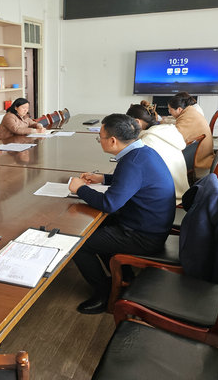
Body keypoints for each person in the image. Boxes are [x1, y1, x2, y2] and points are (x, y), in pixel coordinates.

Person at [68, 114, 175, 315]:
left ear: (113, 141)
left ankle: (103, 294)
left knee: (78, 245)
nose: (99, 140)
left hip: (144, 236)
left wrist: (80, 189)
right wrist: (103, 178)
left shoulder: (132, 162)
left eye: (100, 137)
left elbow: (109, 204)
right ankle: (124, 275)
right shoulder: (142, 152)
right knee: (98, 228)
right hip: (150, 225)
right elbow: (133, 180)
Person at [126, 101, 189, 202]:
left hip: (166, 198)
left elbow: (134, 173)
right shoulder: (166, 132)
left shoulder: (147, 141)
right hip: (180, 190)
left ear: (137, 122)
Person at [168, 93, 214, 168]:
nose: (169, 112)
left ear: (179, 109)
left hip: (199, 158)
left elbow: (176, 138)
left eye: (170, 109)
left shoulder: (188, 116)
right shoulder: (190, 112)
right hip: (202, 153)